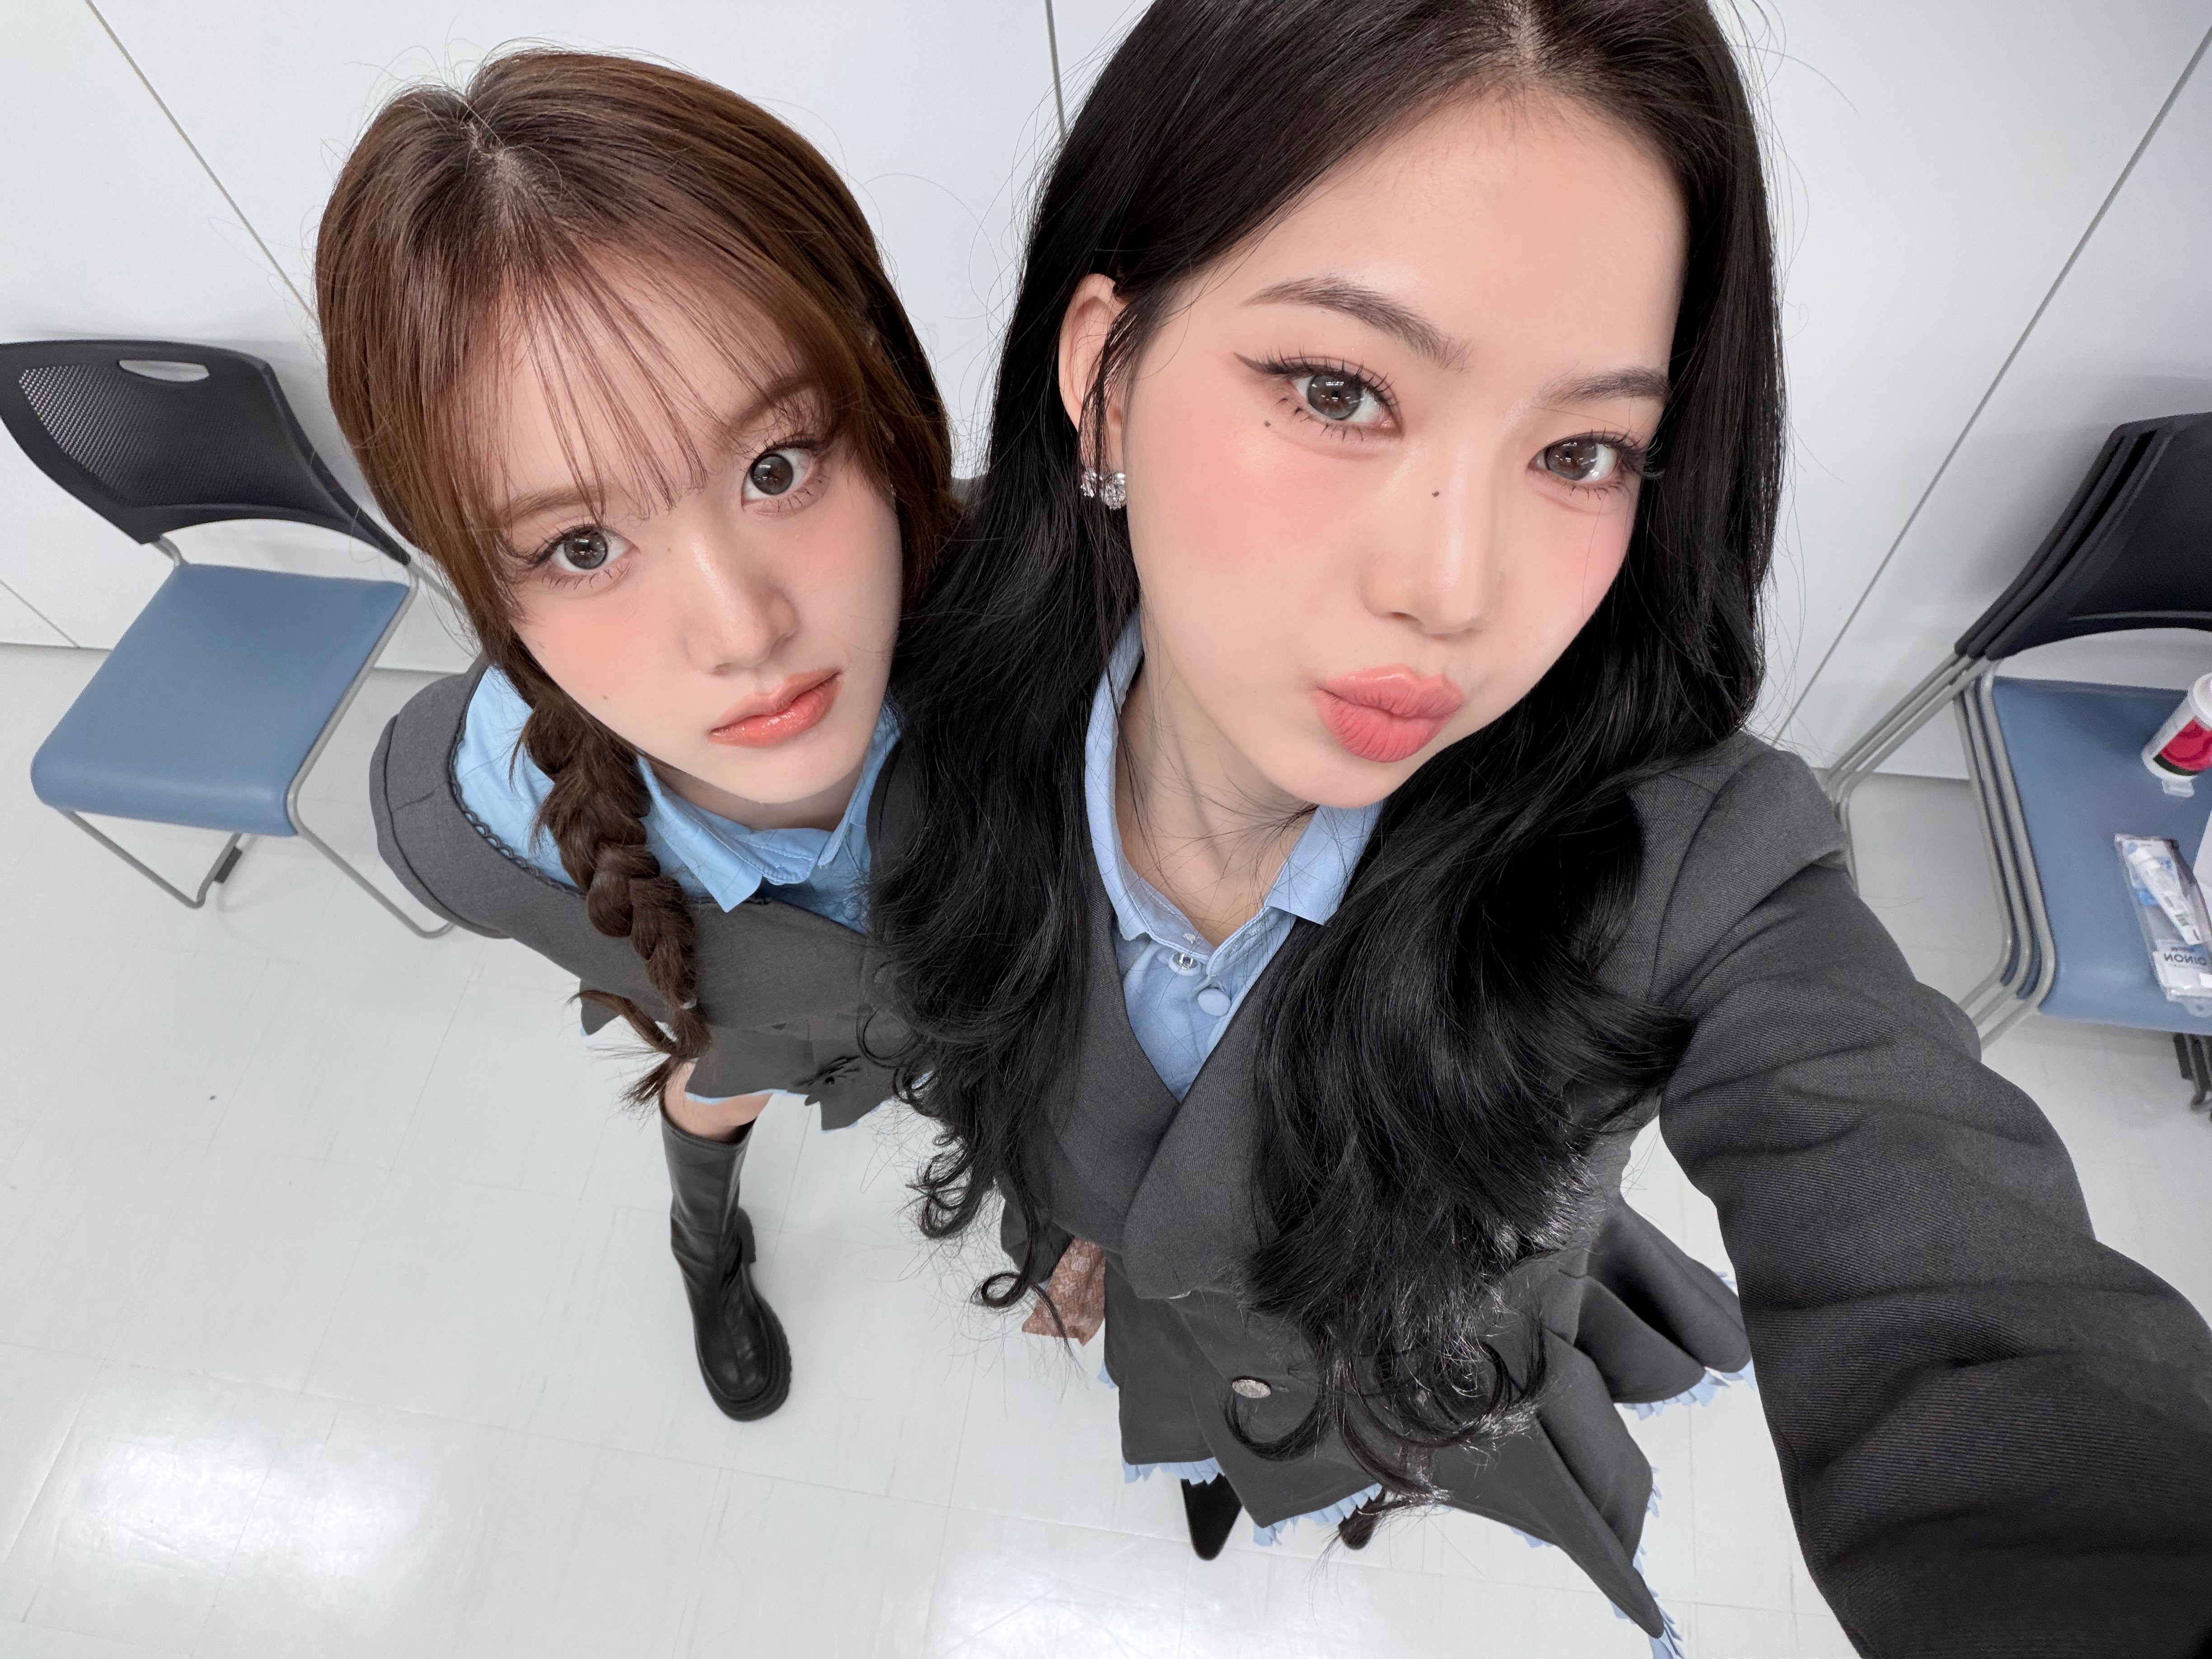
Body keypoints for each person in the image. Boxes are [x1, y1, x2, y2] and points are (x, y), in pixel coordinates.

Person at [870, 1, 2212, 1653]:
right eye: (1339, 388)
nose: (1453, 589)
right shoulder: (928, 676)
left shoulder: (1691, 874)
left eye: (1582, 452)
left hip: (1402, 1382)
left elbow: (1983, 1328)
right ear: (1105, 372)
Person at [318, 49, 958, 1422]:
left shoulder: (1053, 635)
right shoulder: (483, 816)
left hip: (968, 1033)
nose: (740, 628)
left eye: (777, 466)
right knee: (716, 1094)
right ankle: (704, 1252)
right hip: (748, 1032)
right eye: (583, 544)